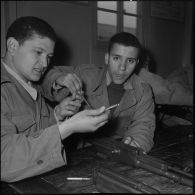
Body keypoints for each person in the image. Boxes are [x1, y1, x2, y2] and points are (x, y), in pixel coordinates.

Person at [1, 16, 109, 182]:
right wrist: (68, 127)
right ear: (13, 46)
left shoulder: (29, 83)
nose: (45, 63)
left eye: (49, 56)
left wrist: (56, 116)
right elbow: (5, 159)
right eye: (38, 52)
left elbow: (34, 134)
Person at [41, 32, 156, 153]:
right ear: (107, 58)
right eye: (116, 58)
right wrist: (59, 78)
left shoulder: (143, 90)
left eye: (130, 61)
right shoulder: (86, 74)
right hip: (77, 151)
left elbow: (144, 125)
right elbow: (46, 73)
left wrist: (136, 144)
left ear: (137, 63)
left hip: (117, 151)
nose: (122, 67)